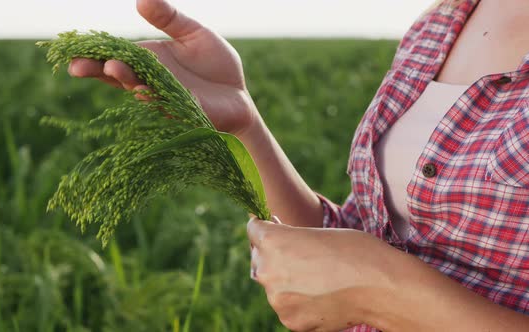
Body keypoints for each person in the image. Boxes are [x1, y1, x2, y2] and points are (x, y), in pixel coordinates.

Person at [69, 0, 529, 330]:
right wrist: (243, 124)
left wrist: (381, 289)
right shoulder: (441, 22)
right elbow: (365, 239)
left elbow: (368, 272)